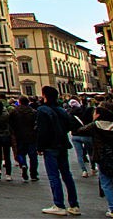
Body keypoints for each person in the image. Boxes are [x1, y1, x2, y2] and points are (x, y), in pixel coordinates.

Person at [73, 107, 113, 218]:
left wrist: (93, 121)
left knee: (107, 185)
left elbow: (81, 130)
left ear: (99, 115)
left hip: (102, 157)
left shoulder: (95, 126)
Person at [37, 86, 81, 216]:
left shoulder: (42, 110)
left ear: (44, 96)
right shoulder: (61, 110)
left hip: (50, 146)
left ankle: (59, 205)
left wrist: (39, 147)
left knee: (54, 176)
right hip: (62, 145)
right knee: (67, 175)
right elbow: (68, 126)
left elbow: (41, 130)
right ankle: (74, 205)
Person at [10, 95, 40, 181]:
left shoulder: (14, 111)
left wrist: (14, 132)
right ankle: (33, 174)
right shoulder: (33, 112)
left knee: (20, 153)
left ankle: (23, 164)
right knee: (33, 156)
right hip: (31, 137)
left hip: (19, 136)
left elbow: (11, 123)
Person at [67, 99, 95, 178]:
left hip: (75, 135)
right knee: (90, 152)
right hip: (86, 134)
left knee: (79, 154)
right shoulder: (85, 111)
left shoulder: (70, 114)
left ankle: (84, 170)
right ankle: (93, 168)